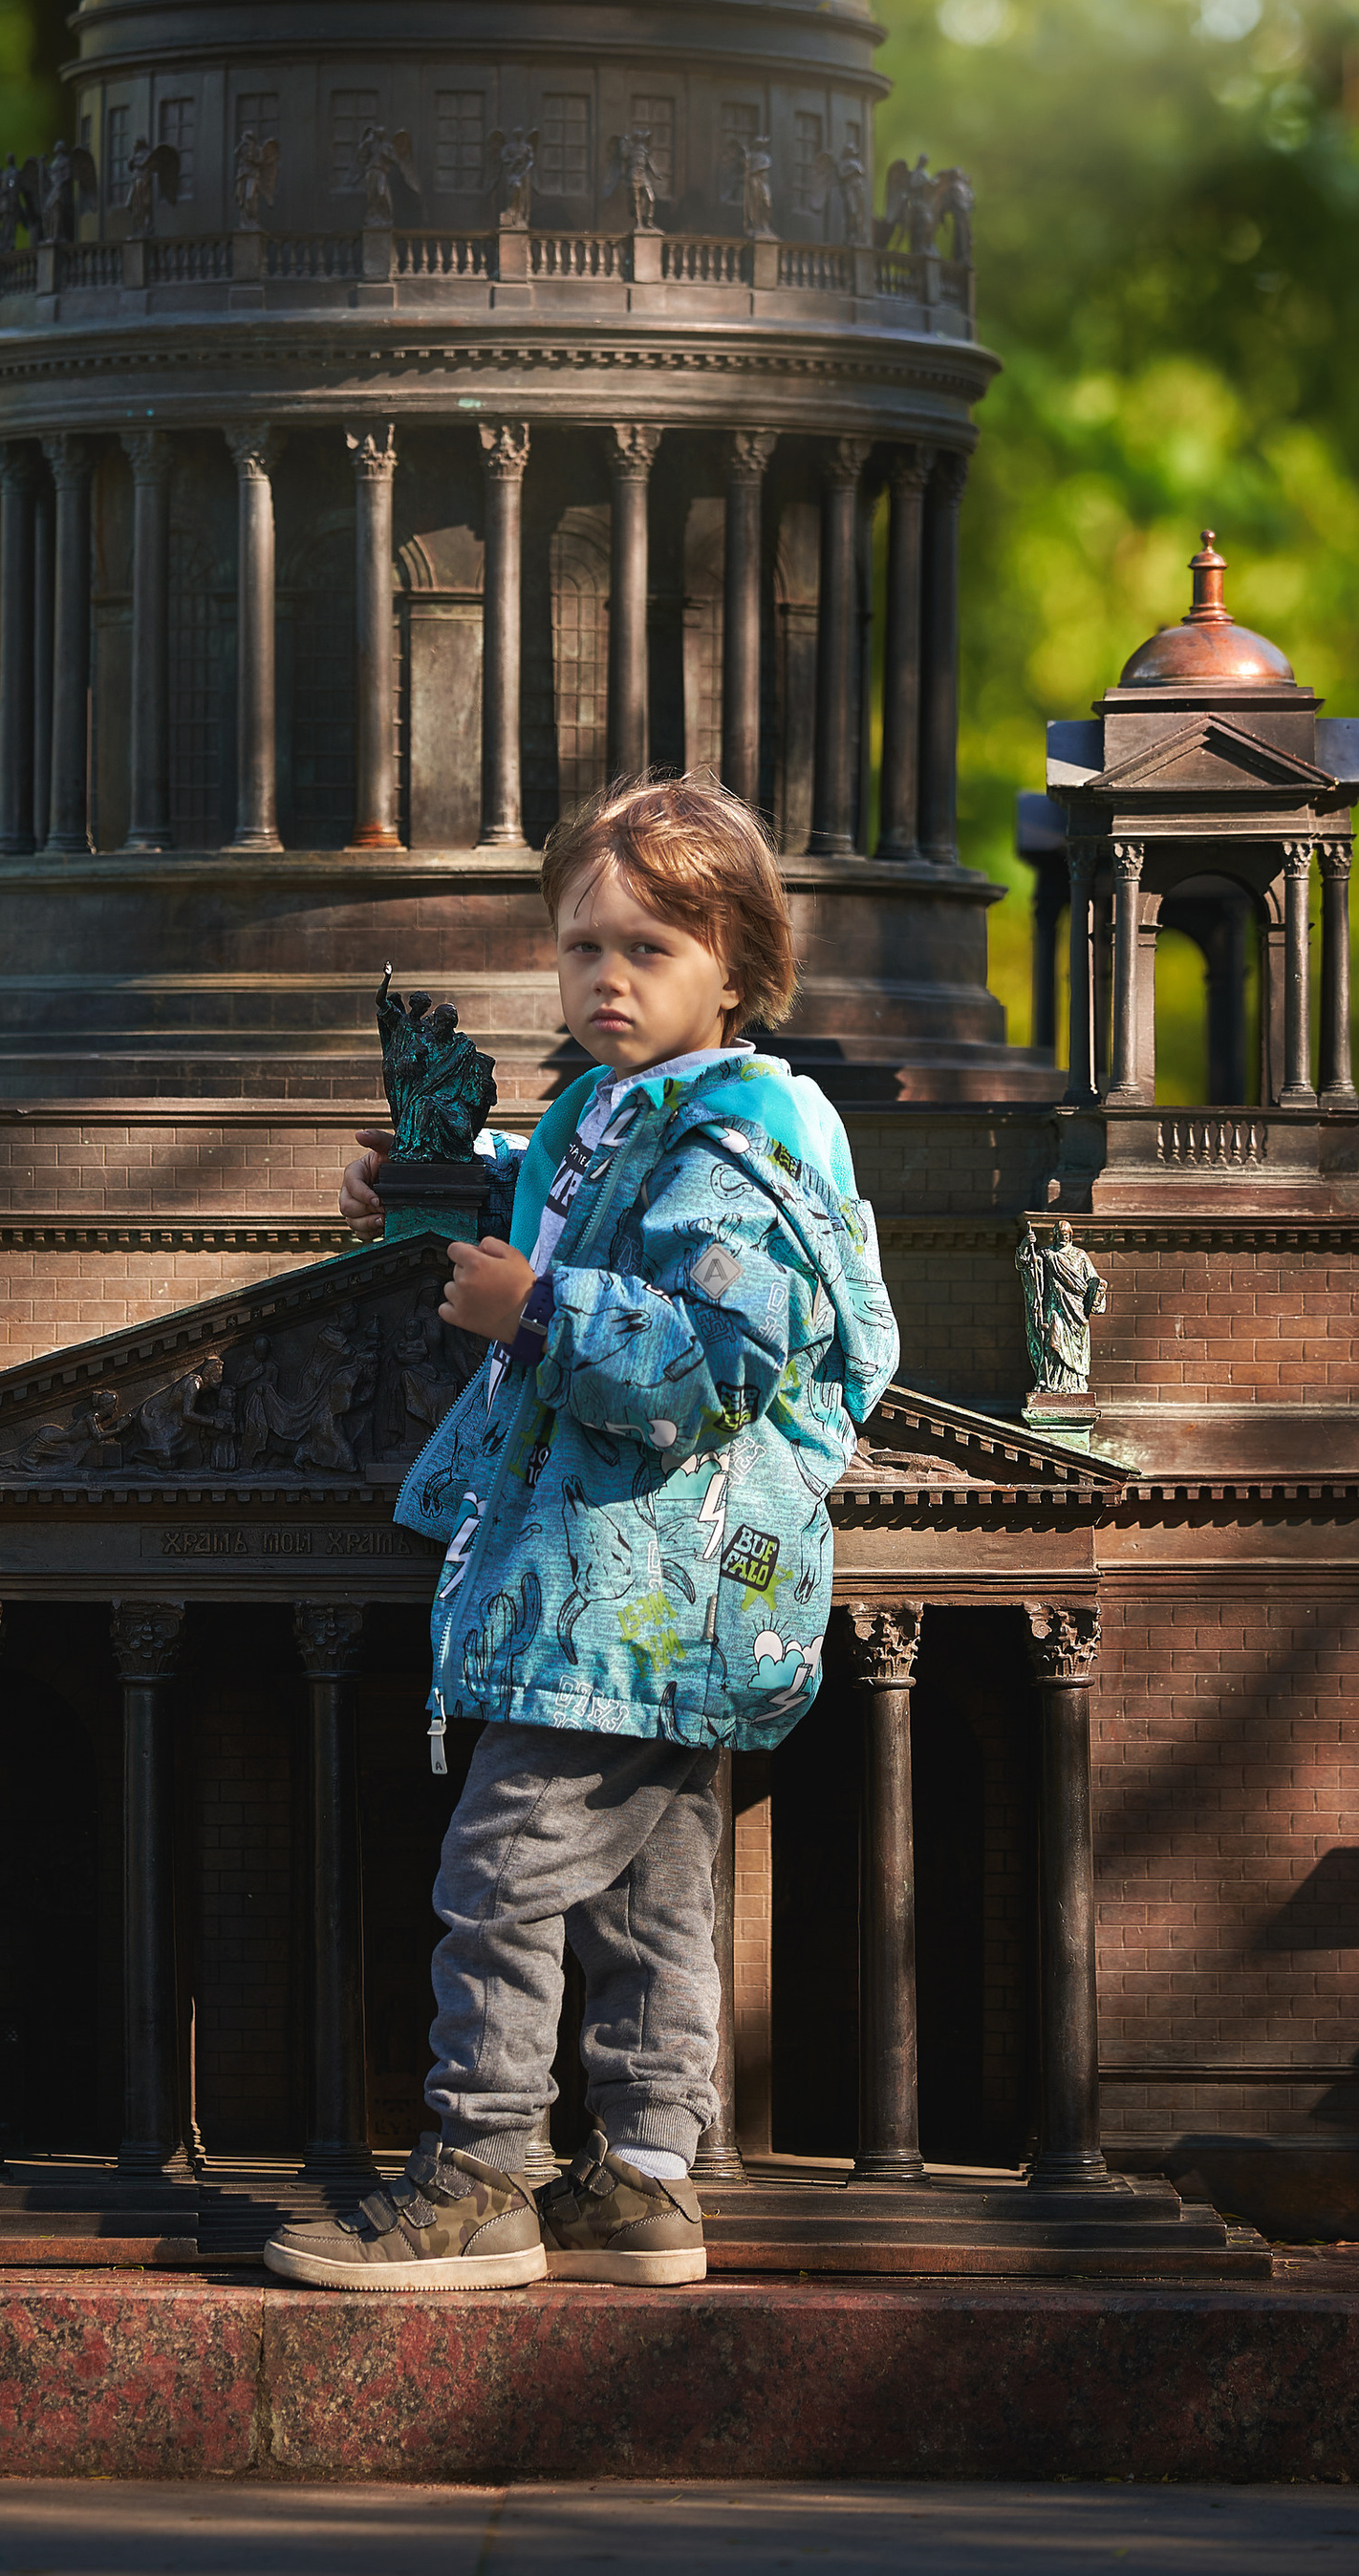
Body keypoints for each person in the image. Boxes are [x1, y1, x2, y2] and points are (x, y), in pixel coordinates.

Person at [264, 773, 898, 2297]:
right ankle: (647, 2183)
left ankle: (483, 2174)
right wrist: (426, 1180)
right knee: (651, 1888)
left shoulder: (747, 1135)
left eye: (651, 950)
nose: (607, 979)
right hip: (629, 1596)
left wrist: (532, 1308)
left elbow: (717, 1358)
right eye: (581, 947)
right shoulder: (634, 1110)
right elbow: (570, 1191)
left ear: (737, 969)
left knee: (500, 1873)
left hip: (637, 1589)